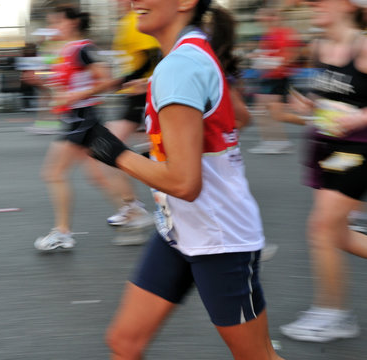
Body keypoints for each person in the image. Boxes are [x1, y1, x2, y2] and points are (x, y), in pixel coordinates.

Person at [79, 0, 283, 358]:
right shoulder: (194, 53)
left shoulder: (181, 64)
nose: (133, 2)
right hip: (178, 232)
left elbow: (185, 183)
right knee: (124, 343)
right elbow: (239, 118)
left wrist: (114, 152)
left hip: (220, 239)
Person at [279, 0, 367, 343]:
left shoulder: (362, 46)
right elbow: (328, 94)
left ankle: (333, 314)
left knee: (320, 228)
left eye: (321, 2)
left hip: (359, 149)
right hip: (325, 148)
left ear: (347, 5)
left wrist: (359, 118)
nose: (315, 5)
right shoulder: (319, 46)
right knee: (338, 234)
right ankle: (332, 314)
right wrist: (309, 104)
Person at [34, 7, 118, 251]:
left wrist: (75, 95)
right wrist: (48, 86)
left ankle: (63, 232)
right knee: (98, 175)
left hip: (82, 119)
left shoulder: (83, 48)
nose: (53, 27)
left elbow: (107, 80)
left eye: (57, 22)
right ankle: (131, 211)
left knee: (53, 173)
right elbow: (62, 85)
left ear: (72, 23)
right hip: (75, 118)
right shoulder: (66, 50)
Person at [101, 0, 161, 230]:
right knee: (155, 152)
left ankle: (133, 208)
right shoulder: (127, 20)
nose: (117, 2)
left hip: (142, 94)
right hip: (136, 94)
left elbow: (152, 55)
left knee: (106, 148)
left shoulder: (137, 18)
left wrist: (132, 81)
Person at [248, 7, 301, 155]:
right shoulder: (268, 35)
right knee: (265, 112)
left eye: (262, 17)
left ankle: (277, 141)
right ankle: (274, 142)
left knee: (271, 113)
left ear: (272, 17)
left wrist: (272, 63)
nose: (260, 20)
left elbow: (291, 55)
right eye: (259, 18)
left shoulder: (282, 33)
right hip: (269, 77)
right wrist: (258, 58)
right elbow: (269, 55)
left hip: (278, 77)